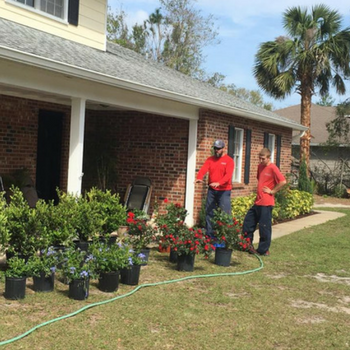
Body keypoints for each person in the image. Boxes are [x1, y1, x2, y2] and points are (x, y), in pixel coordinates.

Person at [243, 147, 286, 256]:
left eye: (263, 159)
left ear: (268, 157)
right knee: (248, 223)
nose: (261, 161)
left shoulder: (273, 168)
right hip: (258, 202)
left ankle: (263, 250)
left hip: (267, 203)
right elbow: (260, 180)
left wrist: (272, 191)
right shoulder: (260, 167)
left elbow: (283, 181)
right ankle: (247, 245)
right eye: (260, 159)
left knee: (264, 227)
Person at [195, 140, 234, 238]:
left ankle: (227, 237)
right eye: (215, 148)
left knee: (225, 214)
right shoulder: (210, 159)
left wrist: (219, 183)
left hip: (224, 191)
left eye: (219, 149)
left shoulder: (229, 161)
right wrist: (199, 177)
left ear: (223, 149)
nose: (216, 150)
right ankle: (210, 236)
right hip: (212, 190)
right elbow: (204, 169)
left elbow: (228, 176)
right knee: (209, 212)